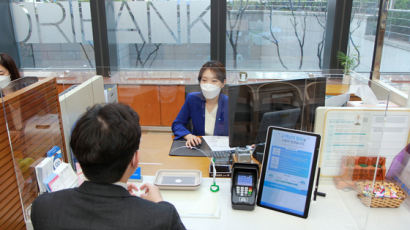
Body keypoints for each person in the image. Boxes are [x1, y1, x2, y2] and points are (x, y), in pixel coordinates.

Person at [31, 103, 186, 230]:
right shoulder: (161, 217)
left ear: (78, 154)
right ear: (135, 159)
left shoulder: (43, 207)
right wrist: (159, 204)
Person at [172, 60, 228, 147]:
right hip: (199, 147)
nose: (208, 85)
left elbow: (241, 133)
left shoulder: (229, 103)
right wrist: (189, 136)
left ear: (223, 83)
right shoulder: (192, 99)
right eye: (204, 80)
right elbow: (177, 124)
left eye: (214, 81)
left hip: (222, 150)